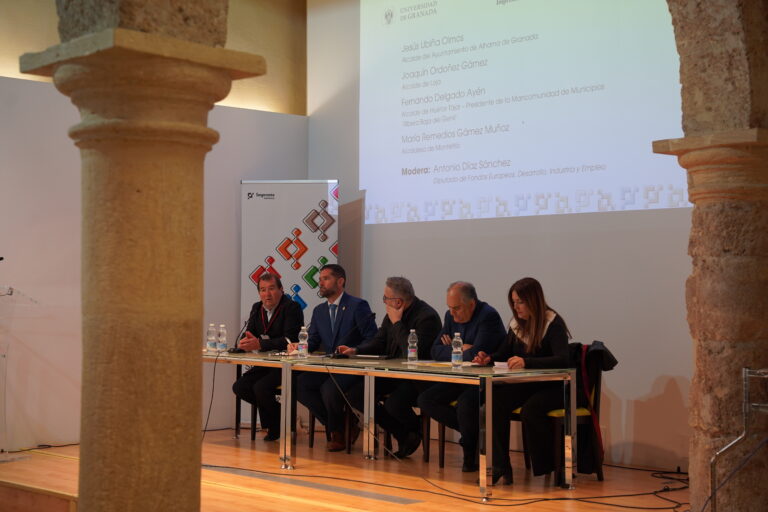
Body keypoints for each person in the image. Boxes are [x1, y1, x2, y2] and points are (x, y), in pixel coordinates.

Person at [473, 277, 571, 485]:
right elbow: (504, 353)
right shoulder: (517, 325)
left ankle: (554, 467)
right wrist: (488, 359)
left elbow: (563, 359)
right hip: (527, 385)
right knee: (493, 402)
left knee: (531, 410)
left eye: (520, 302)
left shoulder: (553, 323)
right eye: (514, 302)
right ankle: (500, 465)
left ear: (533, 301)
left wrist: (527, 362)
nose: (516, 307)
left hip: (553, 386)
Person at [338, 276, 442, 458]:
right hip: (393, 375)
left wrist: (397, 323)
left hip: (417, 379)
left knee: (393, 404)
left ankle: (411, 429)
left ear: (398, 302)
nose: (384, 302)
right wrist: (356, 350)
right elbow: (379, 342)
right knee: (356, 394)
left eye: (386, 298)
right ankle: (404, 433)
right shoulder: (392, 316)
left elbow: (412, 353)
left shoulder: (427, 317)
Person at [417, 281, 506, 471]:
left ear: (471, 304)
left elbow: (476, 355)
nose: (452, 313)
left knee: (465, 405)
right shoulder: (450, 317)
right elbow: (435, 351)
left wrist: (458, 349)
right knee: (426, 399)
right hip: (460, 378)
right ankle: (473, 435)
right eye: (449, 308)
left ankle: (470, 453)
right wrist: (458, 349)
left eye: (456, 308)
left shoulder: (488, 316)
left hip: (485, 380)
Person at [292, 264, 378, 451]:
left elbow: (373, 338)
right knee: (299, 384)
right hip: (329, 365)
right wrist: (299, 347)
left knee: (329, 389)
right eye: (320, 279)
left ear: (340, 282)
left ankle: (337, 431)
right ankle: (344, 424)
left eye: (326, 279)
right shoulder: (319, 311)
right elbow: (313, 341)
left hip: (352, 366)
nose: (320, 283)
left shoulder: (358, 306)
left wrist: (355, 349)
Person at [231, 273, 303, 441]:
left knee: (261, 388)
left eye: (271, 289)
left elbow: (290, 339)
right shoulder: (257, 308)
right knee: (240, 387)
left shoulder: (291, 307)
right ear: (259, 293)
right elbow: (250, 333)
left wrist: (260, 344)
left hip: (287, 364)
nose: (267, 294)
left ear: (281, 290)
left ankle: (275, 427)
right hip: (266, 364)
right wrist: (245, 342)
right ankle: (282, 419)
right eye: (263, 290)